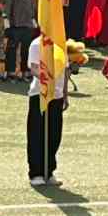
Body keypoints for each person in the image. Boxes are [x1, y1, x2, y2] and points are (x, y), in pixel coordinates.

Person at [26, 34, 66, 187]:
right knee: (37, 134)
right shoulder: (36, 44)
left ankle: (49, 171)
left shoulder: (61, 44)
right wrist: (47, 81)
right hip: (40, 95)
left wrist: (65, 94)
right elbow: (34, 68)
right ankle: (36, 173)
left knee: (54, 134)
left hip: (57, 96)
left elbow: (65, 71)